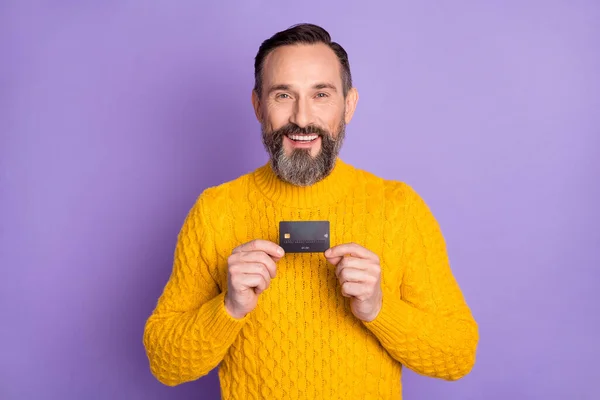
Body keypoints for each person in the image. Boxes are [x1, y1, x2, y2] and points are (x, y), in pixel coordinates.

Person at [143, 23, 479, 399]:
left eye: (321, 94)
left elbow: (457, 355)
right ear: (258, 105)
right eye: (283, 95)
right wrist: (228, 309)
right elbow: (164, 363)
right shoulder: (215, 211)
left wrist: (380, 310)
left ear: (348, 105)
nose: (302, 118)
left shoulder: (398, 208)